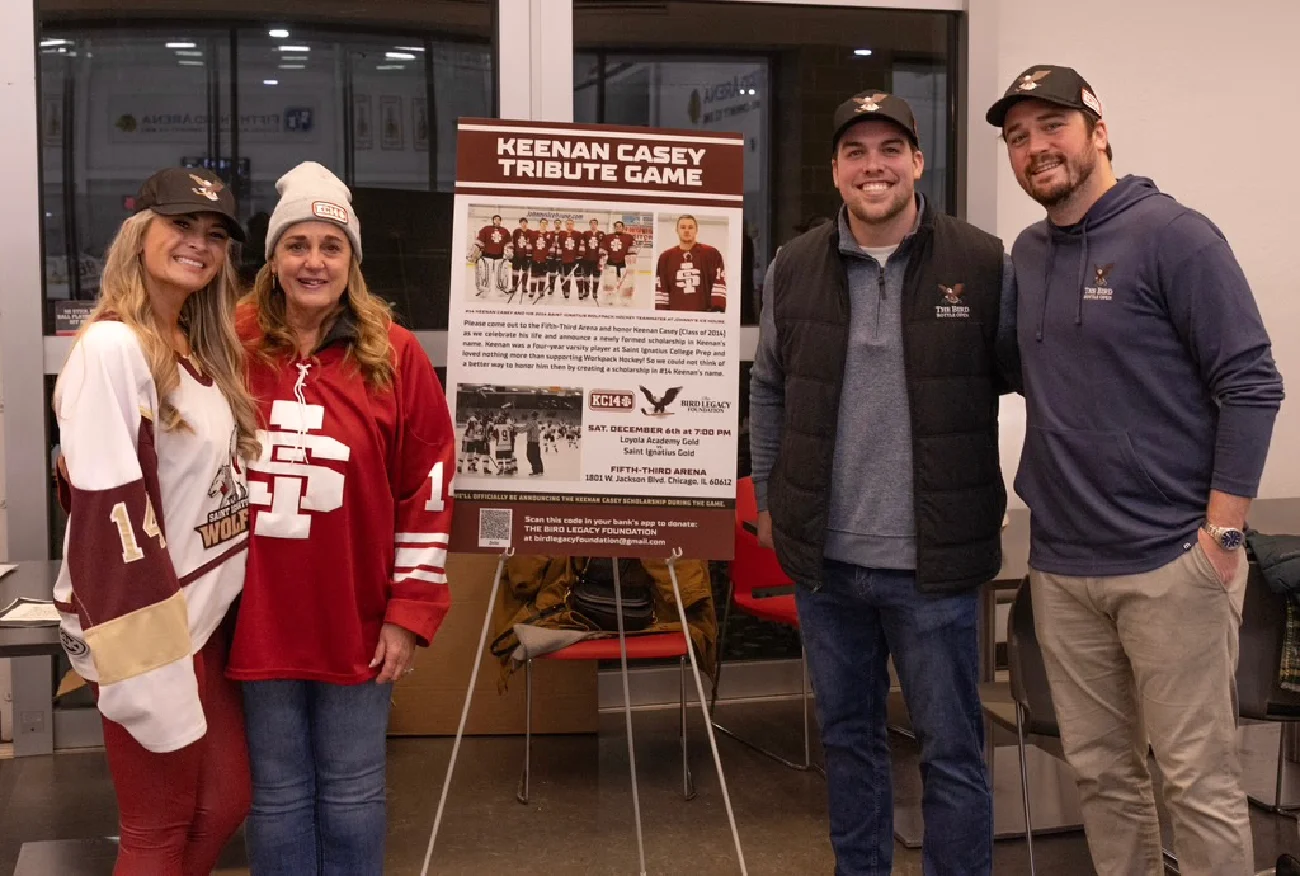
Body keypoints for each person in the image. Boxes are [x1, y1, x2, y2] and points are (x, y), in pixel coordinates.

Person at [987, 65, 1285, 875]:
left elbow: (1252, 382)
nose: (1035, 148)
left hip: (1171, 564)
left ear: (1098, 128)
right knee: (1103, 776)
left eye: (1052, 126)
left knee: (1197, 781)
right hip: (1063, 566)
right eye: (1018, 138)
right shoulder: (1030, 252)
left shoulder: (1176, 236)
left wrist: (1222, 536)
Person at [750, 91, 1018, 876]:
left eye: (891, 148)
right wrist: (768, 498)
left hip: (933, 566)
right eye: (857, 152)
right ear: (835, 171)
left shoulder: (980, 261)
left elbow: (1036, 375)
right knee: (849, 742)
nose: (876, 166)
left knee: (953, 750)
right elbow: (768, 389)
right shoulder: (793, 267)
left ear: (918, 162)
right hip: (826, 565)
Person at [228, 161, 456, 876]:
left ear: (352, 259)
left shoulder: (395, 353)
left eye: (331, 245)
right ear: (273, 258)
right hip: (254, 615)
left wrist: (409, 608)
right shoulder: (229, 342)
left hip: (357, 617)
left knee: (354, 791)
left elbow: (430, 482)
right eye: (297, 244)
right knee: (278, 796)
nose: (314, 261)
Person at [52, 166, 260, 874]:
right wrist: (145, 664)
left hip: (203, 621)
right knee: (158, 825)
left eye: (215, 235)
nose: (199, 244)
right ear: (140, 234)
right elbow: (107, 513)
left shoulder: (196, 349)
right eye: (181, 227)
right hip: (148, 627)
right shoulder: (115, 349)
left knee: (225, 803)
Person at [655, 214, 726, 312]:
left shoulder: (712, 254)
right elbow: (661, 289)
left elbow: (719, 282)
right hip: (676, 317)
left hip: (704, 315)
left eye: (690, 227)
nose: (686, 231)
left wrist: (717, 310)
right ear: (677, 230)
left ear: (696, 230)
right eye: (683, 227)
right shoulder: (665, 258)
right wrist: (662, 314)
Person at [471, 213, 509, 298]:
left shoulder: (505, 231)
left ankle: (501, 290)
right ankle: (483, 291)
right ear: (493, 220)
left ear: (500, 221)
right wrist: (474, 253)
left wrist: (509, 253)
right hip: (487, 257)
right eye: (495, 219)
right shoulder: (486, 229)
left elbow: (509, 243)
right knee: (484, 275)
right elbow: (479, 242)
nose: (497, 221)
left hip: (499, 257)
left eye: (499, 219)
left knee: (501, 276)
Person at [602, 220, 637, 305]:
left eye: (620, 226)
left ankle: (626, 300)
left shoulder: (629, 237)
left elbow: (632, 251)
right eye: (616, 226)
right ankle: (610, 299)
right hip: (610, 262)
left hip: (623, 262)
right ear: (614, 227)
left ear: (623, 227)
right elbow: (603, 249)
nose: (618, 228)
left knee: (626, 282)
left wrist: (631, 263)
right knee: (610, 282)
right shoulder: (607, 237)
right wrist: (603, 259)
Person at [579, 217, 604, 302]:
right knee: (586, 276)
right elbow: (581, 244)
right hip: (586, 259)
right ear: (590, 224)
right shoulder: (585, 233)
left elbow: (604, 244)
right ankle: (586, 291)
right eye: (592, 223)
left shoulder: (601, 233)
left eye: (595, 223)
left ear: (597, 225)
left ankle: (595, 292)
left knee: (596, 277)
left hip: (597, 259)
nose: (593, 225)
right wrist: (581, 255)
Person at [510, 217, 532, 300]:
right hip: (516, 255)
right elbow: (512, 242)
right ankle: (514, 286)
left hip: (526, 255)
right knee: (515, 272)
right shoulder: (516, 231)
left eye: (525, 222)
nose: (524, 224)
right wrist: (511, 253)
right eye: (522, 222)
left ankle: (524, 286)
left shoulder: (530, 232)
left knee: (525, 272)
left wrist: (530, 255)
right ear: (520, 223)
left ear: (527, 223)